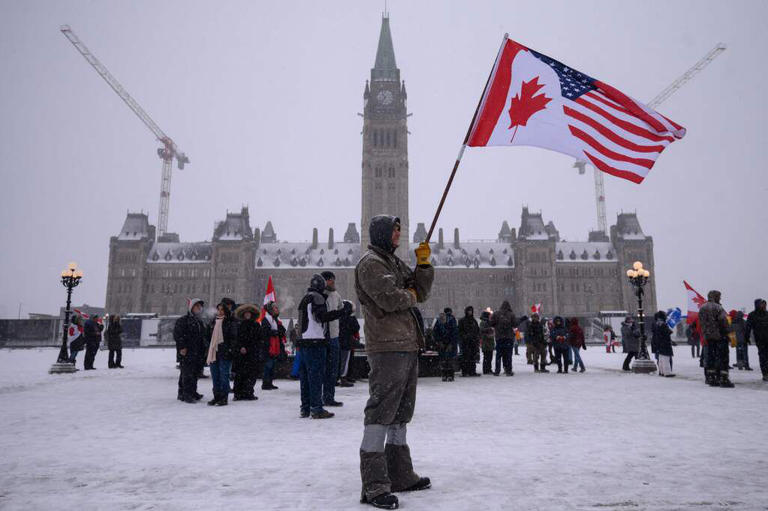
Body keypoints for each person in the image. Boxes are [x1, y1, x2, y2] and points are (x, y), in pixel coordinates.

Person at [355, 215, 434, 510]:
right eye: (395, 231)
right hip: (387, 346)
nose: (399, 235)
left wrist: (423, 265)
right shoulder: (371, 263)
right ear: (382, 234)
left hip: (406, 343)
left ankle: (400, 473)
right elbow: (391, 299)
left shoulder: (393, 262)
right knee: (380, 414)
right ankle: (374, 485)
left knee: (401, 412)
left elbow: (420, 292)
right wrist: (411, 293)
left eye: (400, 230)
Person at [296, 274, 350, 419]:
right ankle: (316, 408)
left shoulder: (305, 298)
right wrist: (341, 312)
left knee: (306, 377)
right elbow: (322, 317)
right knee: (316, 376)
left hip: (303, 342)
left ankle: (305, 407)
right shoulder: (318, 298)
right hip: (315, 341)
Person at [206, 300, 239, 406]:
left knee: (224, 376)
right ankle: (216, 396)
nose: (220, 311)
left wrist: (230, 350)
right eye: (218, 309)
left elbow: (234, 338)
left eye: (222, 310)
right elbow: (208, 336)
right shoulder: (213, 322)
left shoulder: (230, 322)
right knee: (215, 376)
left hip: (225, 352)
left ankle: (224, 397)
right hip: (214, 352)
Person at [173, 298, 206, 403]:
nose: (199, 308)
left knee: (195, 373)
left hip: (197, 352)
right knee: (187, 373)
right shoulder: (183, 320)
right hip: (187, 351)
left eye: (200, 307)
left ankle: (192, 392)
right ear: (191, 307)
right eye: (197, 306)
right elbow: (178, 335)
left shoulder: (199, 321)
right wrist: (182, 347)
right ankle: (186, 394)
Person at [698, 290, 733, 387]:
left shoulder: (702, 308)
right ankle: (723, 378)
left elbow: (701, 323)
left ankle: (711, 377)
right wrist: (728, 332)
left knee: (711, 357)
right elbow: (724, 321)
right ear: (715, 297)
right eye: (719, 296)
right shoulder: (718, 307)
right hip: (720, 336)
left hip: (709, 337)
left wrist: (707, 332)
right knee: (723, 357)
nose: (720, 298)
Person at [321, 271, 345, 407]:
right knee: (321, 369)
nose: (333, 282)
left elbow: (342, 308)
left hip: (334, 336)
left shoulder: (336, 295)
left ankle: (329, 397)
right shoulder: (319, 295)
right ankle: (319, 397)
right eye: (330, 280)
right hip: (322, 337)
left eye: (333, 280)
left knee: (332, 369)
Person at [232, 303, 260, 400]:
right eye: (246, 313)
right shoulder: (239, 325)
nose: (248, 315)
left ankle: (248, 392)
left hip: (252, 353)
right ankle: (238, 393)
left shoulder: (256, 325)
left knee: (251, 374)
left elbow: (258, 339)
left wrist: (254, 348)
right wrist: (241, 347)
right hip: (241, 354)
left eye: (249, 313)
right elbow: (237, 338)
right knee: (240, 374)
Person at [260, 301, 287, 390]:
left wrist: (277, 332)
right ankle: (266, 383)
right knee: (268, 365)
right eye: (275, 308)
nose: (277, 309)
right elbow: (264, 333)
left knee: (272, 366)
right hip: (268, 346)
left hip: (274, 346)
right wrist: (274, 332)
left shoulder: (275, 320)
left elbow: (282, 331)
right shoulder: (266, 319)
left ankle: (269, 382)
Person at [490, 300, 517, 376]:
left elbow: (492, 323)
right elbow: (515, 324)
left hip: (499, 337)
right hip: (509, 337)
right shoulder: (511, 314)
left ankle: (497, 370)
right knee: (508, 354)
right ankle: (508, 370)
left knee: (499, 355)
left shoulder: (496, 313)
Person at [745, 298, 768, 382]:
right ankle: (765, 374)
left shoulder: (767, 314)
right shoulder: (752, 315)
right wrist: (746, 337)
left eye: (764, 304)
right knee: (763, 357)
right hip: (760, 339)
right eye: (762, 304)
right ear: (757, 304)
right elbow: (748, 327)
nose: (764, 305)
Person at [339, 301, 360, 387]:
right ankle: (343, 378)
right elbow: (356, 328)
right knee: (345, 361)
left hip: (338, 342)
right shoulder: (350, 318)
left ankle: (336, 378)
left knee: (338, 361)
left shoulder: (339, 317)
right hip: (346, 343)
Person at [433, 310, 458, 382]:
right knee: (443, 360)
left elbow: (454, 334)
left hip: (450, 343)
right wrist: (439, 342)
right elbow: (435, 333)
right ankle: (444, 375)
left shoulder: (451, 322)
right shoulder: (438, 322)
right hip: (442, 344)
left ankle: (450, 375)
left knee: (450, 360)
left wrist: (451, 344)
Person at [458, 306, 480, 377]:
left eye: (471, 311)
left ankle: (472, 371)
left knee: (472, 357)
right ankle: (465, 371)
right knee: (465, 357)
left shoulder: (474, 321)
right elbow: (460, 331)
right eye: (469, 311)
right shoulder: (462, 321)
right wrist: (465, 336)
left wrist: (476, 338)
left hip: (473, 342)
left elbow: (477, 330)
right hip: (465, 342)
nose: (470, 312)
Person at [652, 311, 675, 377]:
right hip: (665, 345)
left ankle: (661, 371)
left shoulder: (656, 325)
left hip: (659, 345)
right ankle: (667, 372)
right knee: (666, 359)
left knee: (661, 359)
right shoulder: (663, 325)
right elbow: (667, 332)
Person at [479, 309, 495, 375]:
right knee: (487, 356)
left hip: (489, 341)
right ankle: (486, 370)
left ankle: (488, 369)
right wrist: (490, 329)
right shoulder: (483, 322)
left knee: (489, 356)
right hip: (486, 341)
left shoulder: (487, 322)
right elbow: (481, 330)